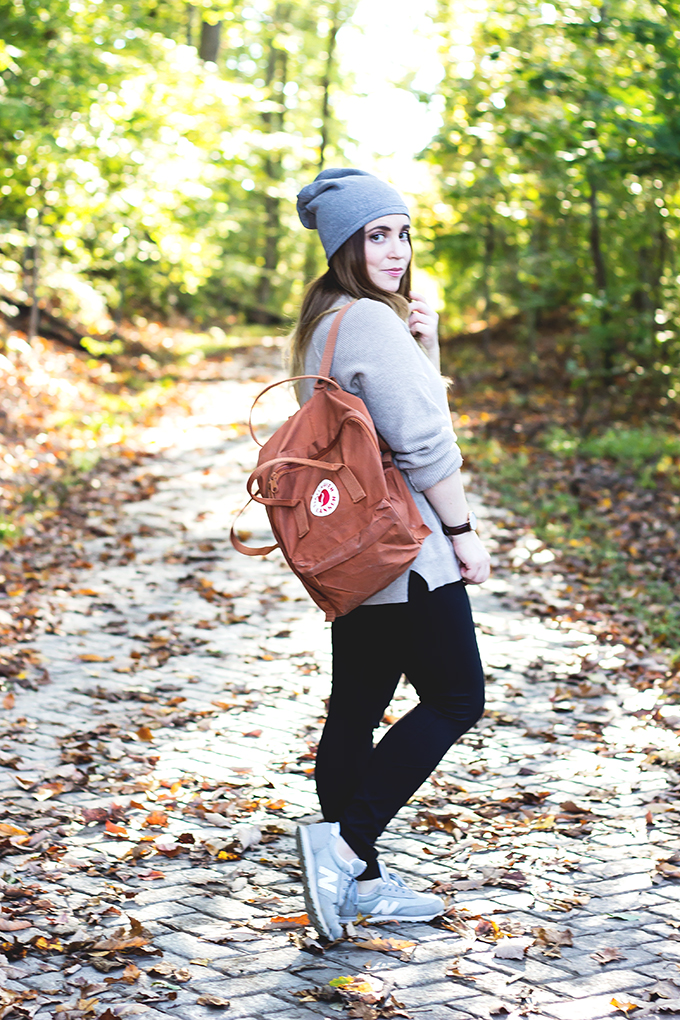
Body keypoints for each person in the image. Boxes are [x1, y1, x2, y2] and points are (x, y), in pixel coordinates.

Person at [291, 168, 490, 941]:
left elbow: (386, 419)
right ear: (346, 244)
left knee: (354, 709)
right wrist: (464, 534)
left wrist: (425, 347)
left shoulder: (327, 321)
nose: (397, 249)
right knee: (457, 698)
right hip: (408, 552)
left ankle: (363, 884)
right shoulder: (372, 321)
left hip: (357, 555)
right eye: (377, 235)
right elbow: (425, 442)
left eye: (403, 234)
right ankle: (343, 852)